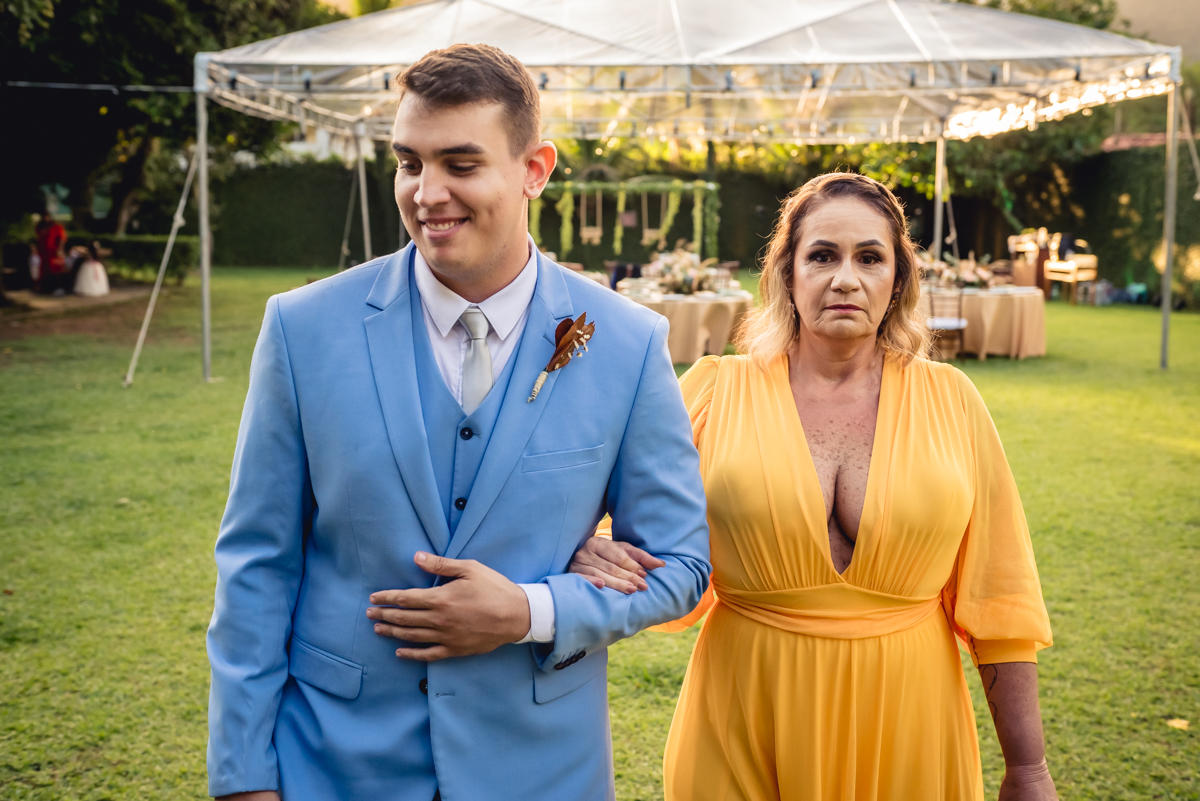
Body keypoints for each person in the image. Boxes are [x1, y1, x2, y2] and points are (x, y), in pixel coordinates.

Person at [206, 44, 710, 801]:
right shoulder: (302, 328)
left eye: (460, 164)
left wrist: (530, 609)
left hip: (542, 767)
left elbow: (680, 564)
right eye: (409, 162)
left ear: (535, 169)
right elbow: (256, 565)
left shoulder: (628, 342)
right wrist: (244, 778)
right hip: (335, 764)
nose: (426, 192)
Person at [570, 173, 1057, 801]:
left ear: (899, 280)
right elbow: (606, 512)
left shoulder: (952, 401)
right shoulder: (716, 390)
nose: (845, 279)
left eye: (870, 258)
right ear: (787, 274)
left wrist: (1028, 768)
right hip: (743, 713)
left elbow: (1001, 599)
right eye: (822, 255)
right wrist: (583, 545)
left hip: (910, 721)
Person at [34, 210, 67, 294]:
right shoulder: (40, 227)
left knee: (55, 269)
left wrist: (60, 249)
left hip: (54, 253)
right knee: (44, 270)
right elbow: (38, 239)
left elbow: (62, 239)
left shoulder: (56, 227)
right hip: (44, 253)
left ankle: (57, 287)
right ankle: (45, 287)